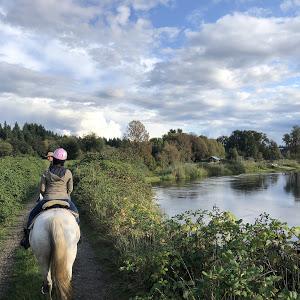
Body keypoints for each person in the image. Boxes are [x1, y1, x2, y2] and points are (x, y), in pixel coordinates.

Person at [20, 148, 79, 249]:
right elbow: (70, 189)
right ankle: (78, 236)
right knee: (77, 216)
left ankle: (26, 238)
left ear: (54, 159)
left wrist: (46, 194)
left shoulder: (46, 172)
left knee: (31, 215)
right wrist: (65, 195)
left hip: (47, 199)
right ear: (64, 161)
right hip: (65, 199)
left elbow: (42, 189)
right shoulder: (68, 172)